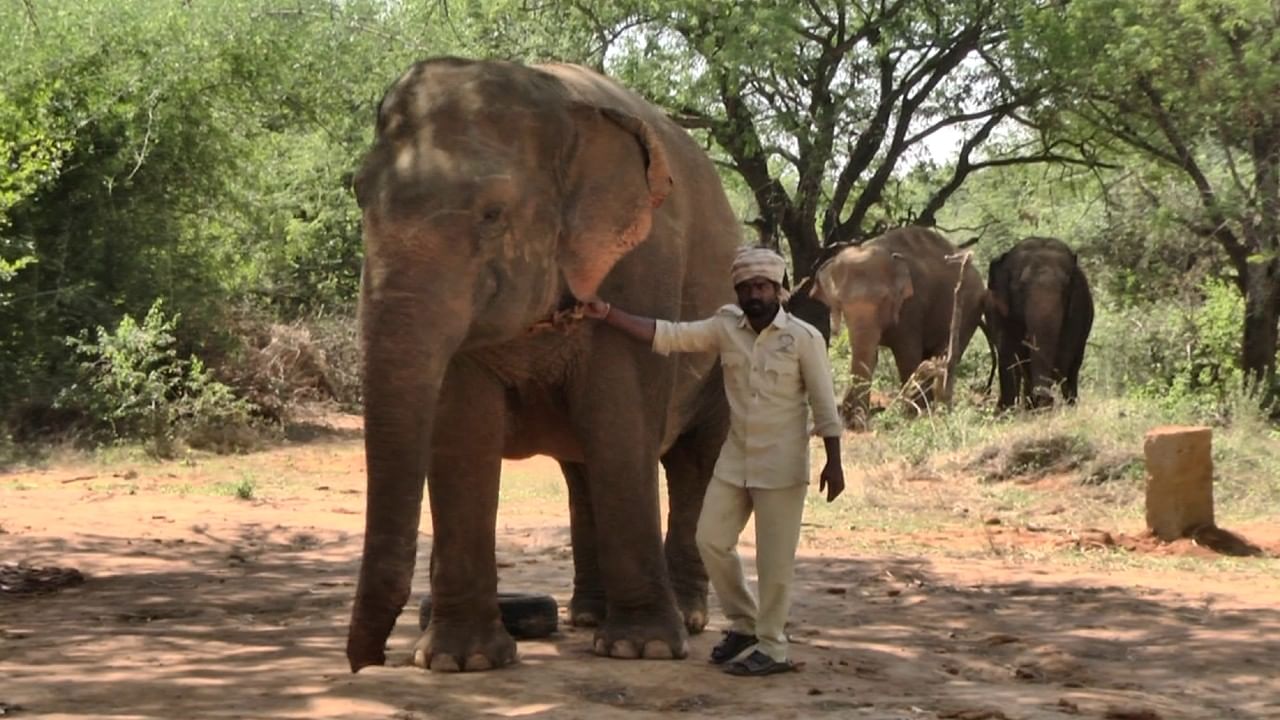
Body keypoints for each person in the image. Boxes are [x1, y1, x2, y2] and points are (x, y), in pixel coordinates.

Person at [582, 246, 845, 677]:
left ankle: (774, 648)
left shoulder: (802, 339)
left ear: (778, 290)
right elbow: (670, 335)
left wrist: (834, 462)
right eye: (746, 288)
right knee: (710, 541)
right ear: (737, 292)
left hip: (782, 466)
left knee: (773, 563)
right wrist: (607, 313)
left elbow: (825, 404)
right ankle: (743, 625)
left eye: (762, 286)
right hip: (735, 459)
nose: (754, 294)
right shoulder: (726, 327)